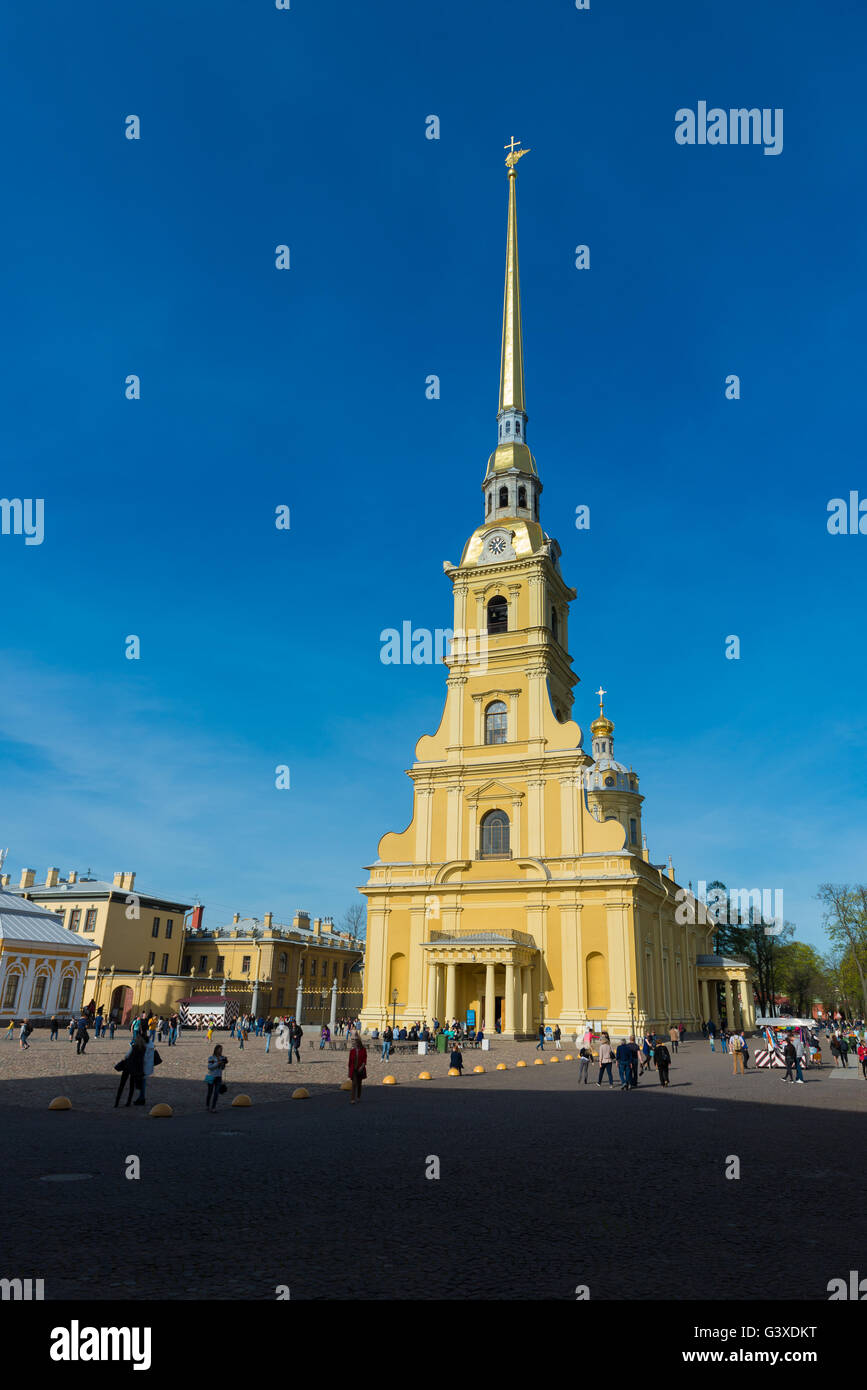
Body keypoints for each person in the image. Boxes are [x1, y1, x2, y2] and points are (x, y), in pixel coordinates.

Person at [115, 1035, 146, 1107]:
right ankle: (128, 1102)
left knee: (122, 1085)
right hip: (135, 1069)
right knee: (131, 1086)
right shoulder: (144, 1049)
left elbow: (127, 1056)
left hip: (127, 1066)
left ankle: (117, 1102)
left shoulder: (134, 1047)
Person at [205, 1045, 227, 1111]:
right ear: (216, 1050)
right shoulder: (211, 1058)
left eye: (221, 1049)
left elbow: (222, 1068)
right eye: (219, 1049)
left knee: (216, 1093)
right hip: (211, 1076)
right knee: (210, 1093)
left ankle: (213, 1107)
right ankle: (207, 1105)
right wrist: (217, 1063)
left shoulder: (222, 1057)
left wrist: (223, 1064)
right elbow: (209, 1067)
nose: (220, 1051)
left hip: (218, 1077)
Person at [348, 1036, 367, 1104]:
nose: (354, 1044)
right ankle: (352, 1099)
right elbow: (350, 1062)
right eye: (354, 1043)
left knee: (359, 1084)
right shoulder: (352, 1051)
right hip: (354, 1069)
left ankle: (358, 1096)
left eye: (355, 1043)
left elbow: (365, 1060)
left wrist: (362, 1067)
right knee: (354, 1084)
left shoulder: (363, 1050)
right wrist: (349, 1071)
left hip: (360, 1069)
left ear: (359, 1043)